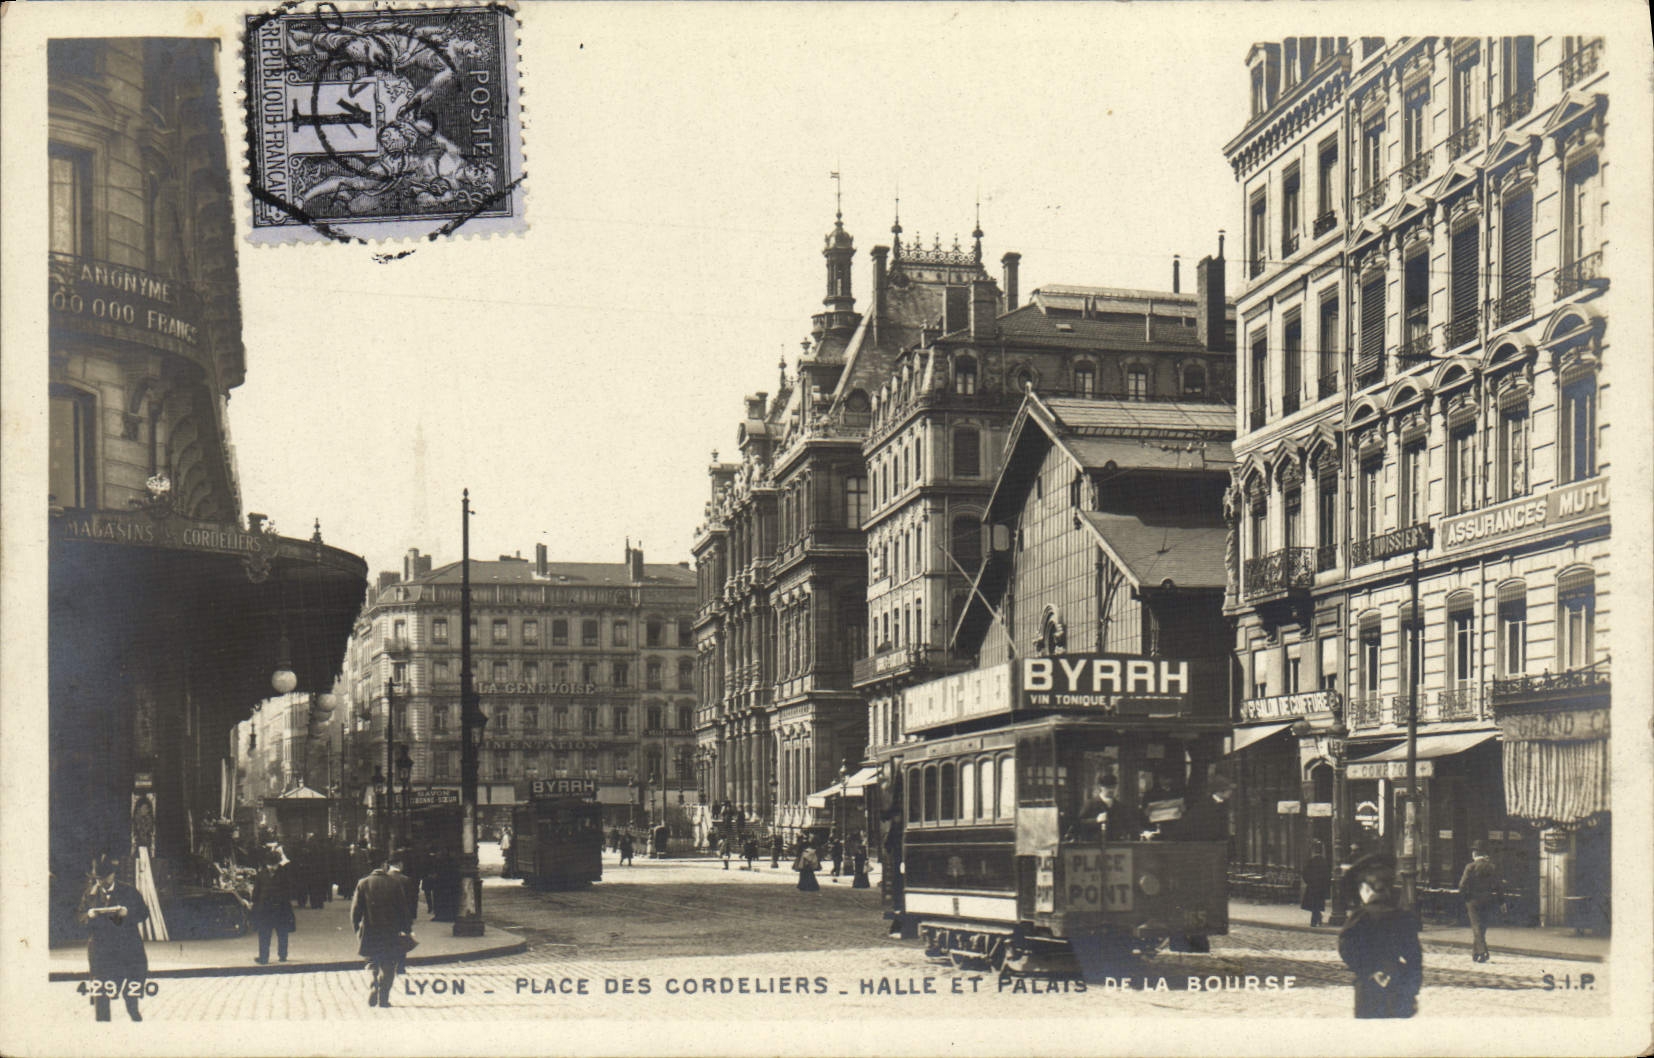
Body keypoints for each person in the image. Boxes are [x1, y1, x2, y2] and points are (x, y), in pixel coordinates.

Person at [1337, 851, 1423, 1019]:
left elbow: (1346, 948)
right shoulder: (1402, 917)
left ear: (1366, 889)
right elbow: (1415, 956)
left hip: (1368, 987)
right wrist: (1411, 988)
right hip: (1397, 983)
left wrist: (1369, 970)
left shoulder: (1361, 917)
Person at [77, 854, 149, 1022]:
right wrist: (88, 915)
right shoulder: (90, 894)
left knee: (131, 993)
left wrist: (128, 913)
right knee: (101, 993)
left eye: (105, 878)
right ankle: (103, 1030)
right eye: (98, 879)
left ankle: (135, 1019)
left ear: (113, 875)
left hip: (126, 949)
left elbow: (144, 913)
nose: (101, 882)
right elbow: (79, 917)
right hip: (101, 952)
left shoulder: (129, 891)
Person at [351, 849, 417, 1008]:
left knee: (372, 962)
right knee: (389, 965)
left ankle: (373, 983)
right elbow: (403, 910)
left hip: (370, 932)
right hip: (390, 932)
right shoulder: (394, 883)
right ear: (384, 864)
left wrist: (357, 930)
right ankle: (384, 998)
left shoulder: (363, 883)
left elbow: (355, 911)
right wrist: (406, 929)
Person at [1458, 841, 1505, 963]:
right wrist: (1501, 902)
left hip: (1473, 900)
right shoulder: (1492, 867)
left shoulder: (1470, 867)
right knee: (1482, 926)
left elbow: (1462, 885)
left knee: (1476, 926)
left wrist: (1465, 897)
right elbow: (1499, 886)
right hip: (1488, 899)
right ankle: (1476, 953)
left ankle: (1483, 951)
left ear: (1474, 853)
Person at [251, 846, 297, 964]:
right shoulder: (264, 874)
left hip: (276, 908)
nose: (271, 867)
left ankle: (279, 955)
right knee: (268, 933)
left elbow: (289, 890)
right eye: (269, 865)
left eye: (274, 865)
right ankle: (267, 957)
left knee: (277, 933)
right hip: (270, 909)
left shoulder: (279, 873)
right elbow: (256, 892)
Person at [1070, 774, 1145, 842]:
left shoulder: (1120, 806)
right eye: (1108, 787)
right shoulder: (1091, 804)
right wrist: (1096, 820)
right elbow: (1077, 825)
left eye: (1113, 787)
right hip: (1094, 846)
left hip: (1117, 847)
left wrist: (1142, 833)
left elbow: (1130, 825)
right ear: (1101, 787)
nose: (1111, 790)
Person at [1301, 841, 1332, 928]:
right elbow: (1328, 875)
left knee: (1314, 905)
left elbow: (1304, 873)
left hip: (1312, 887)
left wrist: (1309, 882)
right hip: (1321, 887)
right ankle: (1317, 918)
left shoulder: (1311, 861)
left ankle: (1314, 921)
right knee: (1317, 904)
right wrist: (1325, 885)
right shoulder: (1324, 862)